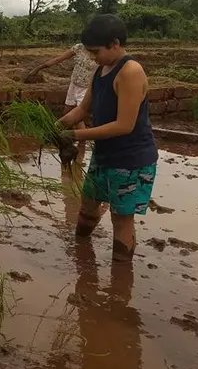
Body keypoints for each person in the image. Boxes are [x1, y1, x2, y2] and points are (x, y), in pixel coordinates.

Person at [57, 14, 158, 262]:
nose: (92, 57)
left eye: (95, 51)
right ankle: (80, 257)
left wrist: (74, 134)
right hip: (104, 156)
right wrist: (56, 125)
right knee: (88, 206)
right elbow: (82, 109)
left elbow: (124, 125)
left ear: (114, 44)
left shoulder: (130, 71)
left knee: (121, 218)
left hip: (131, 159)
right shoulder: (101, 70)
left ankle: (121, 280)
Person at [26, 43, 97, 129]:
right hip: (74, 84)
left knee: (78, 116)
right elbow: (58, 59)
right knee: (67, 111)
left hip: (86, 88)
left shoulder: (99, 51)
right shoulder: (78, 48)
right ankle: (74, 135)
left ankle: (81, 140)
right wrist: (39, 68)